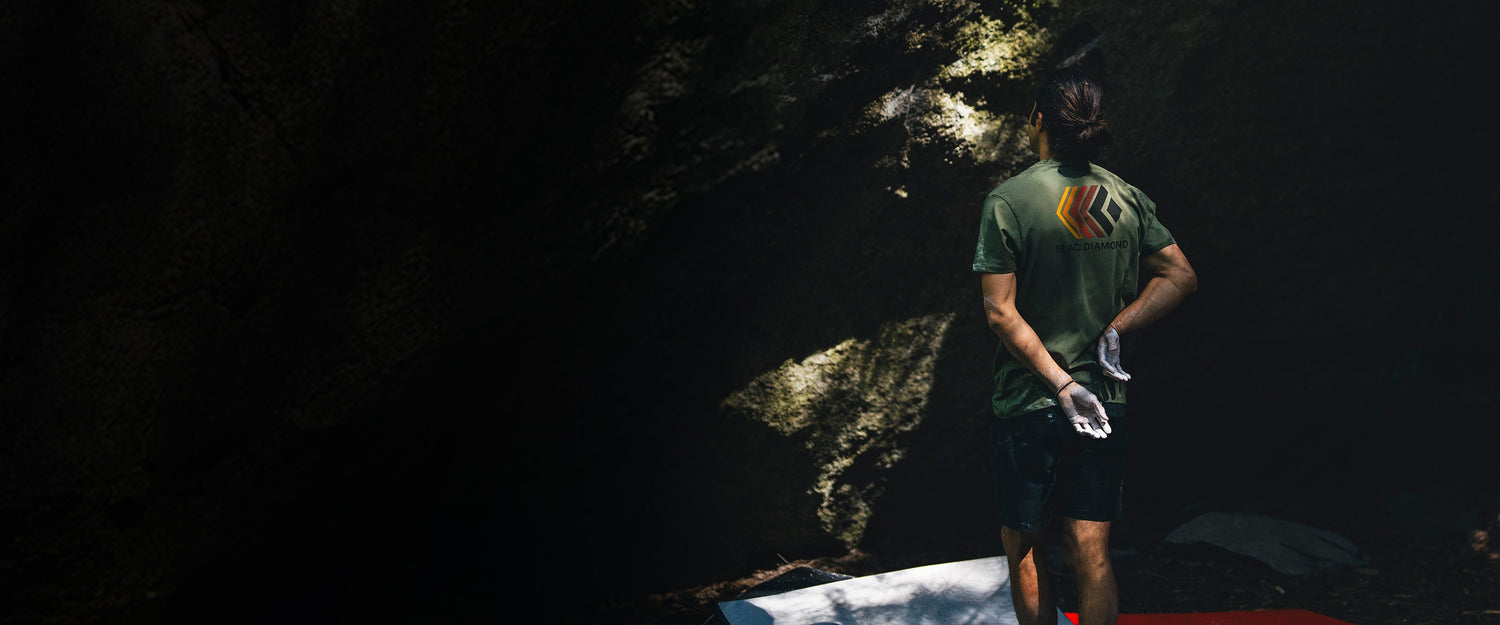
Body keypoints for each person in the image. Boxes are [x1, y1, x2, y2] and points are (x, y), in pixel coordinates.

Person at [972, 67, 1197, 625]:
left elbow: (1001, 311)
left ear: (1039, 120)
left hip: (1030, 401)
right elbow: (1179, 276)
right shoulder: (1125, 195)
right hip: (1104, 402)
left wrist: (1059, 382)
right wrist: (1117, 330)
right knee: (1091, 549)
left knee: (1024, 545)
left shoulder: (1009, 200)